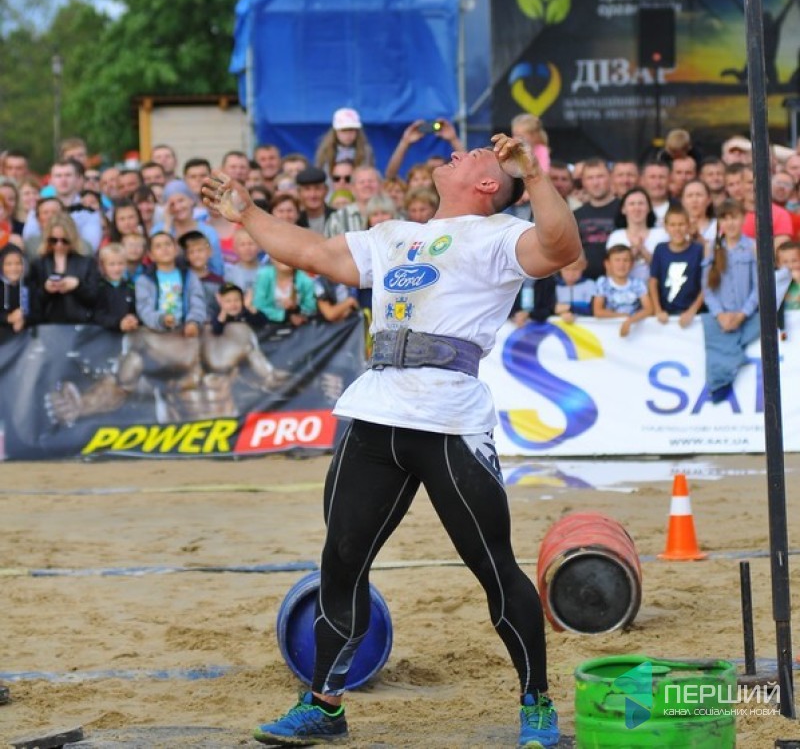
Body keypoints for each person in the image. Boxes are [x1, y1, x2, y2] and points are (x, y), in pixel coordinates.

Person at [201, 132, 582, 748]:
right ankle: (325, 707)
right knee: (341, 560)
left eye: (475, 155)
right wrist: (246, 212)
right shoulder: (395, 234)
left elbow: (562, 247)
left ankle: (536, 703)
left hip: (450, 417)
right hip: (375, 407)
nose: (459, 152)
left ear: (489, 184)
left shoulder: (500, 235)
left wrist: (533, 175)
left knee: (493, 566)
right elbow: (314, 252)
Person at [700, 199, 759, 402]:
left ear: (743, 219)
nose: (730, 223)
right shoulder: (712, 248)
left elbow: (759, 286)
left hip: (746, 316)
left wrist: (742, 314)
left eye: (734, 217)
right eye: (725, 218)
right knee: (719, 356)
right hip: (721, 318)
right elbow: (707, 287)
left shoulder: (752, 247)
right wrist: (720, 315)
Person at [27, 213, 101, 325]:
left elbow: (95, 298)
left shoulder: (87, 263)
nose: (59, 245)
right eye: (54, 240)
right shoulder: (39, 264)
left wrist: (77, 286)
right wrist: (46, 290)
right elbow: (32, 301)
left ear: (72, 239)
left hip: (80, 325)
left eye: (64, 240)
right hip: (48, 325)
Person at [648, 204, 705, 328]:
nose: (677, 229)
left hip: (693, 315)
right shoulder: (660, 249)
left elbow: (706, 284)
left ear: (688, 225)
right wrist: (658, 310)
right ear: (666, 227)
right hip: (665, 313)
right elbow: (653, 281)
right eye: (672, 225)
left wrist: (692, 311)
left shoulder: (698, 250)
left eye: (681, 224)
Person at [605, 187, 667, 284]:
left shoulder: (662, 234)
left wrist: (643, 250)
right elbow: (610, 271)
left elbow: (667, 268)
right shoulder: (616, 237)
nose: (636, 208)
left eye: (641, 203)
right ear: (623, 209)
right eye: (632, 204)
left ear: (649, 208)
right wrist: (632, 253)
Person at [592, 245, 653, 337]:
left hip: (635, 333)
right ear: (607, 264)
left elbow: (649, 309)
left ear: (632, 264)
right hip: (609, 333)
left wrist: (630, 321)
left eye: (626, 260)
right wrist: (621, 316)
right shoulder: (602, 283)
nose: (621, 265)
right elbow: (598, 311)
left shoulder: (638, 284)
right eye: (617, 260)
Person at [573, 158, 619, 279]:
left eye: (600, 176)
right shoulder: (575, 215)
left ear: (610, 177)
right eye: (590, 178)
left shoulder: (625, 209)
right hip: (584, 282)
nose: (595, 183)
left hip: (617, 281)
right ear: (583, 182)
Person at [314, 107, 375, 178]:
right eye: (344, 131)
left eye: (351, 130)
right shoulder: (326, 151)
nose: (348, 135)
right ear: (335, 132)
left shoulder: (365, 151)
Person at [94, 243, 140, 333]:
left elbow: (136, 310)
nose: (117, 269)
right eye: (112, 264)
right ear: (103, 266)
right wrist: (118, 323)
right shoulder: (99, 286)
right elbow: (98, 314)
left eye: (121, 264)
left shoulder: (131, 286)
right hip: (103, 335)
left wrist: (133, 319)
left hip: (127, 334)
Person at [0, 244, 28, 344]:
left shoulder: (28, 285)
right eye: (8, 264)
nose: (14, 268)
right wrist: (8, 318)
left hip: (25, 339)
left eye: (18, 263)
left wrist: (23, 319)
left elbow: (38, 312)